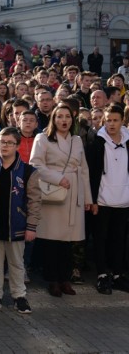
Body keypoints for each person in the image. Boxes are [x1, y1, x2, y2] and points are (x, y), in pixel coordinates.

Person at [29, 103, 92, 297]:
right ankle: (52, 280)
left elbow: (83, 170)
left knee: (68, 241)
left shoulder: (77, 140)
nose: (63, 120)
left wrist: (87, 197)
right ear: (53, 119)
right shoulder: (42, 138)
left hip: (74, 192)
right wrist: (58, 178)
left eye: (67, 117)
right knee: (51, 240)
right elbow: (35, 164)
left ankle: (65, 279)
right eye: (59, 116)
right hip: (53, 193)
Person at [0, 127, 41, 314]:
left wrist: (31, 226)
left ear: (17, 145)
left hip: (17, 225)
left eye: (9, 142)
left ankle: (19, 296)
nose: (5, 146)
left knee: (17, 264)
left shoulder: (27, 171)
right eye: (2, 142)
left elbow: (34, 201)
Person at [86, 104, 129, 294]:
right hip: (102, 200)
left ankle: (118, 274)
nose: (112, 124)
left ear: (122, 121)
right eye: (108, 120)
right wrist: (93, 200)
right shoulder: (97, 141)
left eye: (116, 120)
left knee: (119, 239)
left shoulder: (128, 141)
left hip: (124, 199)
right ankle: (102, 275)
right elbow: (93, 173)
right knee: (101, 238)